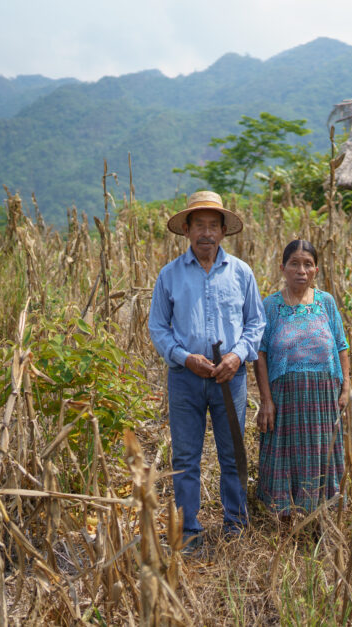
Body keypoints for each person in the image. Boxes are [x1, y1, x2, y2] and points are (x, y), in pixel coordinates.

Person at [148, 191, 264, 548]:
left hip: (232, 377)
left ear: (224, 232)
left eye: (214, 226)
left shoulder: (241, 273)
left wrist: (237, 355)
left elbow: (255, 324)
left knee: (233, 453)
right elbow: (158, 328)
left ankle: (235, 525)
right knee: (185, 457)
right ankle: (188, 532)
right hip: (186, 379)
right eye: (199, 225)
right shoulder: (169, 276)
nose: (207, 233)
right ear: (186, 229)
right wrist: (186, 358)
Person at [254, 240, 350, 526]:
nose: (301, 270)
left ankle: (323, 518)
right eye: (294, 263)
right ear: (282, 268)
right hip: (286, 398)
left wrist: (345, 387)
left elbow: (342, 345)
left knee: (323, 452)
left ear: (316, 270)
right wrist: (266, 400)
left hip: (324, 396)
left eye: (308, 264)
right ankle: (285, 522)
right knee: (285, 454)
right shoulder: (271, 306)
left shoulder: (326, 302)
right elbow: (260, 354)